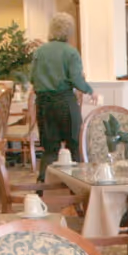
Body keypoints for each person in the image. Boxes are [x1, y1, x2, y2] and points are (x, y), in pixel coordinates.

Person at [30, 12, 94, 168]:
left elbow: (32, 78)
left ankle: (43, 187)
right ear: (69, 31)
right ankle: (77, 187)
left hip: (43, 103)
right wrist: (90, 90)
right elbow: (76, 80)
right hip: (64, 102)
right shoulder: (70, 52)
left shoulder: (39, 52)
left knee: (50, 150)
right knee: (74, 147)